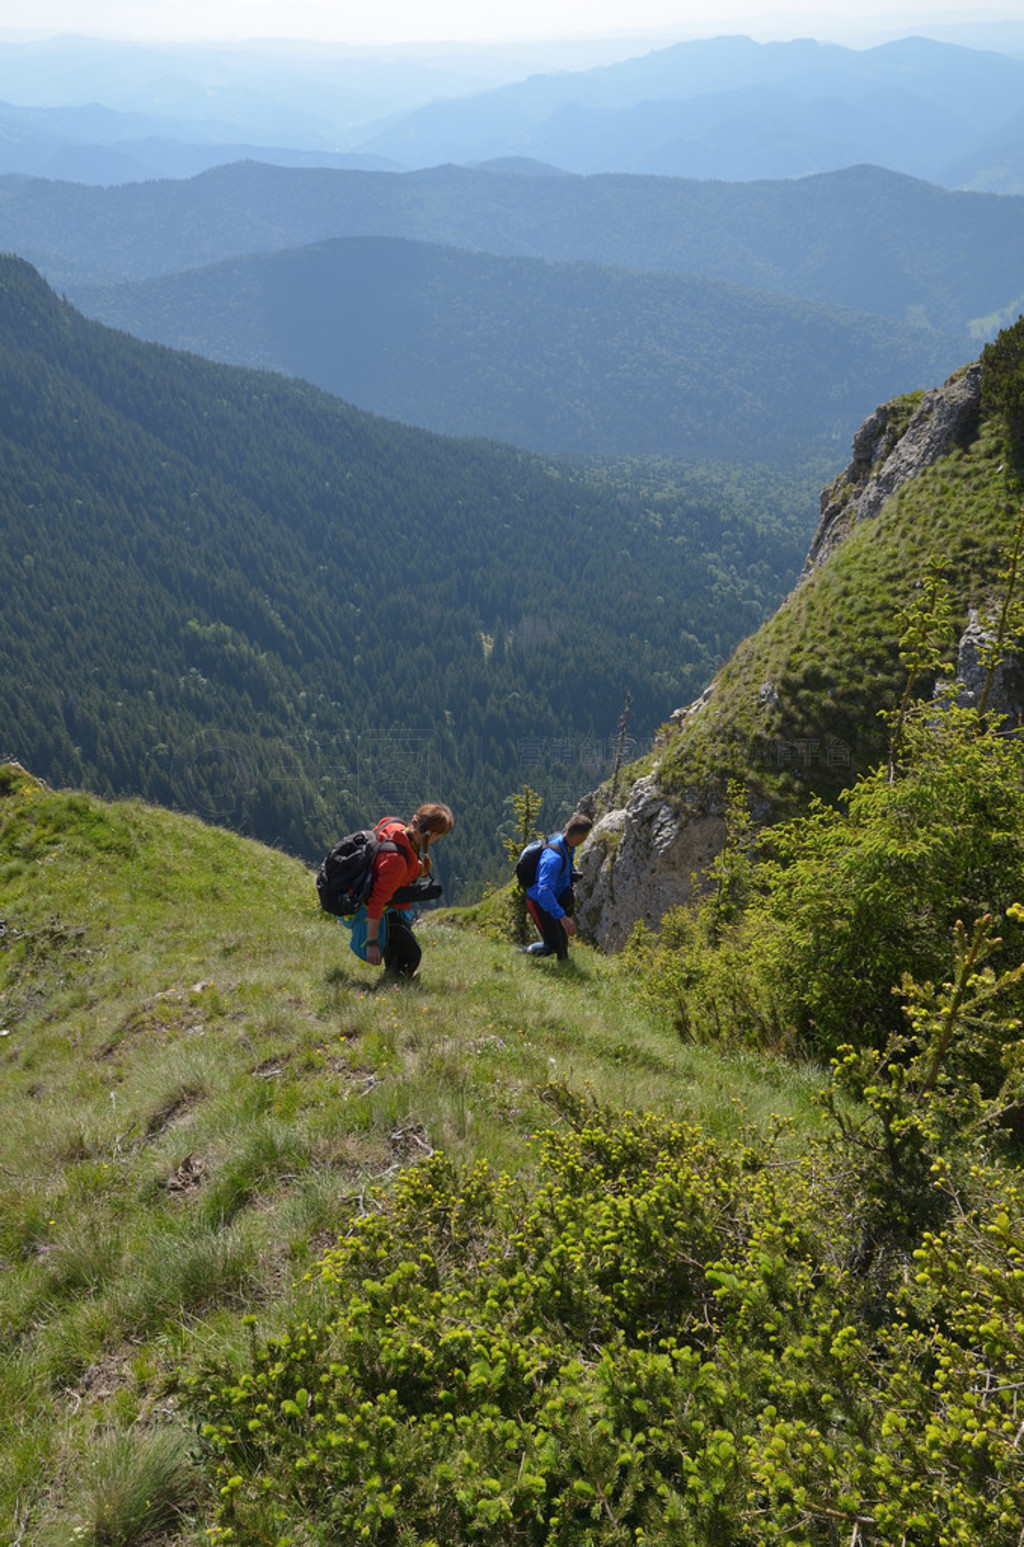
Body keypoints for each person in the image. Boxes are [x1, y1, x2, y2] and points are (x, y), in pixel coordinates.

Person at [365, 802, 454, 978]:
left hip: (390, 903)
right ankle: (394, 983)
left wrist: (414, 867)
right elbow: (376, 901)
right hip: (386, 911)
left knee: (403, 950)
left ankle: (394, 974)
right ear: (433, 834)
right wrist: (372, 943)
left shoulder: (393, 825)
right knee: (411, 954)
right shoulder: (396, 861)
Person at [523, 812, 593, 961]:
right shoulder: (553, 859)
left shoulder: (565, 843)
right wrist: (562, 917)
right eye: (586, 836)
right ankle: (521, 954)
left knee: (562, 942)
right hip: (539, 902)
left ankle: (566, 968)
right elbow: (544, 892)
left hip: (554, 898)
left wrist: (571, 875)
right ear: (580, 836)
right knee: (552, 946)